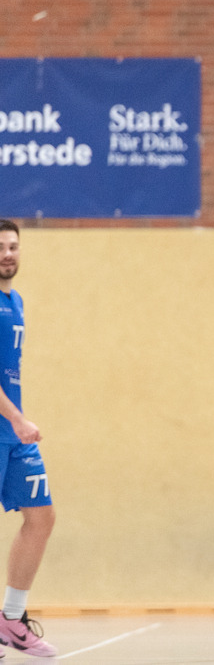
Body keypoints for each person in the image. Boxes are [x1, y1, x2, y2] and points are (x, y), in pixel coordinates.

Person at [0, 220, 57, 658]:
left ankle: (11, 620)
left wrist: (16, 422)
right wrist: (17, 418)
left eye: (13, 247)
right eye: (1, 247)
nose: (7, 254)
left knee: (41, 517)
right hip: (10, 423)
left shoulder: (15, 300)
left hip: (13, 431)